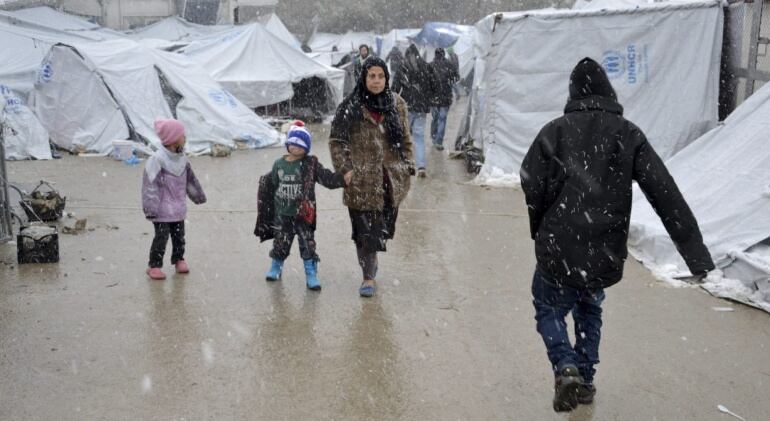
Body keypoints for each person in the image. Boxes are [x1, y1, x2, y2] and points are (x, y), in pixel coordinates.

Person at [520, 57, 715, 412]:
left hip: (559, 244)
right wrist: (696, 254)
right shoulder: (627, 133)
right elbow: (664, 191)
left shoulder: (555, 131)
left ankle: (565, 367)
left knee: (547, 305)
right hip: (604, 247)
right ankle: (587, 378)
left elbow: (531, 181)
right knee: (589, 309)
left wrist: (541, 224)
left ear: (573, 92)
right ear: (608, 89)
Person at [329, 57, 414, 297]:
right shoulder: (350, 107)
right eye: (371, 76)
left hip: (389, 180)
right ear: (364, 78)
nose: (376, 81)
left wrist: (408, 164)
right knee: (364, 233)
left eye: (380, 76)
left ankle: (372, 258)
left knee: (382, 230)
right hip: (361, 181)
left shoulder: (397, 104)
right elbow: (337, 142)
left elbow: (406, 138)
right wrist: (345, 169)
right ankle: (368, 276)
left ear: (386, 78)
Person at [255, 122, 351, 291]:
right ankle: (276, 266)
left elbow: (326, 178)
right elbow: (273, 184)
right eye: (292, 143)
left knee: (307, 244)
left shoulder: (310, 165)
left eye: (300, 145)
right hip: (283, 214)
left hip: (304, 215)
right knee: (281, 242)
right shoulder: (279, 164)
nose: (296, 147)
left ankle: (311, 273)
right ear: (287, 145)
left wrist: (343, 179)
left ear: (306, 148)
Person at [142, 119, 207, 281]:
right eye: (182, 135)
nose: (185, 138)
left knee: (179, 237)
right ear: (172, 139)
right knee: (161, 237)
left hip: (178, 208)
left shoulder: (182, 159)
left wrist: (198, 196)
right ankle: (154, 265)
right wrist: (150, 208)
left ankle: (179, 259)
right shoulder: (157, 160)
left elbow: (190, 180)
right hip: (161, 210)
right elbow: (150, 185)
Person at [392, 44, 433, 178]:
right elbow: (435, 83)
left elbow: (394, 89)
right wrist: (430, 99)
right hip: (421, 107)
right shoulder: (426, 66)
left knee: (404, 136)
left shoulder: (402, 68)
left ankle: (406, 164)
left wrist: (393, 103)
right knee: (419, 137)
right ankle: (421, 166)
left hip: (407, 106)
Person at [429, 47, 459, 151]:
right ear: (444, 54)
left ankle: (433, 137)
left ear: (435, 54)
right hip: (446, 97)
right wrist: (450, 80)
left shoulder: (430, 65)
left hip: (434, 98)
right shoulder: (449, 65)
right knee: (442, 119)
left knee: (435, 118)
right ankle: (439, 141)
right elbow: (456, 77)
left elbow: (426, 83)